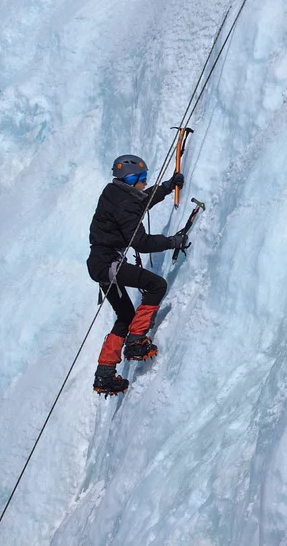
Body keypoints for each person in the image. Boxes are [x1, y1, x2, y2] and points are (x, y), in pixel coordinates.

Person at [87, 154, 187, 396]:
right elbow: (141, 242)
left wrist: (165, 187)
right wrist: (173, 241)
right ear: (131, 180)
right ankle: (136, 342)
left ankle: (105, 374)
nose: (144, 182)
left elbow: (139, 203)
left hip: (101, 263)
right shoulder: (126, 202)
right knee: (157, 285)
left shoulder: (116, 192)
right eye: (142, 178)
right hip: (108, 263)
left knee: (124, 316)